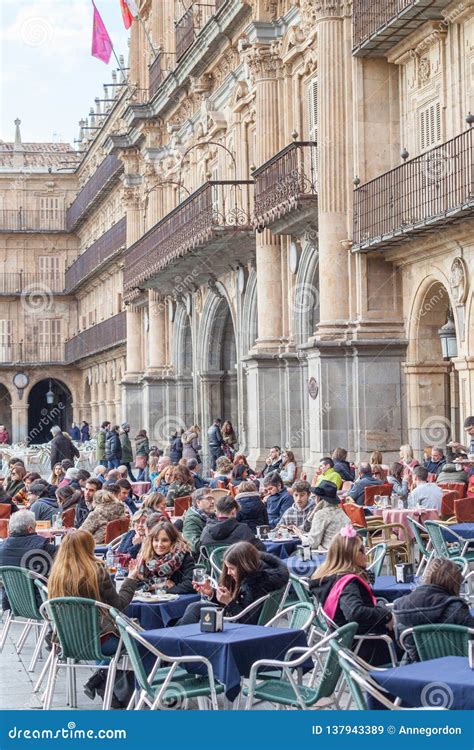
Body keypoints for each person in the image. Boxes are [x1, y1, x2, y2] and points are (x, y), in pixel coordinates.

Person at [47, 529, 142, 705]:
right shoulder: (97, 571)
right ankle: (108, 686)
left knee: (102, 632)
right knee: (137, 641)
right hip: (100, 641)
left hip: (65, 641)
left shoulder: (56, 574)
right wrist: (131, 579)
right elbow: (119, 606)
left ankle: (104, 686)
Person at [309, 526, 394, 665]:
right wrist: (386, 615)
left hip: (347, 645)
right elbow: (355, 612)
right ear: (349, 555)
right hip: (369, 648)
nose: (365, 554)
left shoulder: (327, 578)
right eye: (361, 550)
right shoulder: (348, 583)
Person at [179, 541, 289, 625]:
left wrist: (229, 602)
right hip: (235, 620)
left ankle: (175, 645)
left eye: (231, 568)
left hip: (244, 629)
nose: (228, 572)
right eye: (227, 568)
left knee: (194, 609)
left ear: (244, 566)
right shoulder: (254, 575)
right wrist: (211, 593)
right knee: (194, 608)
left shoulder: (257, 583)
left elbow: (249, 622)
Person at [393, 557, 474, 661]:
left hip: (418, 669)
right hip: (460, 667)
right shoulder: (457, 609)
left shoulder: (400, 606)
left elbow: (400, 642)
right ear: (454, 583)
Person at [0, 510, 56, 610]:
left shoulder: (2, 547)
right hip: (40, 603)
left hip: (11, 602)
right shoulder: (41, 545)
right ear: (30, 529)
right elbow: (63, 554)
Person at [134, 521, 194, 594]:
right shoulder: (144, 558)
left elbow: (191, 584)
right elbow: (133, 586)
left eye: (164, 540)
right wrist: (157, 586)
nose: (159, 544)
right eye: (156, 540)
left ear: (173, 541)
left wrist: (164, 591)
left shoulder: (183, 556)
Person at [200, 495, 265, 550]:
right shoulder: (243, 529)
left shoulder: (206, 530)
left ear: (216, 511)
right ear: (233, 511)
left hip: (214, 564)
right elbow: (260, 549)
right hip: (239, 564)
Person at [182, 488, 216, 556]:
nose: (212, 502)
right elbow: (194, 546)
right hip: (202, 560)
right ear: (198, 502)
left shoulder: (210, 515)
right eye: (209, 499)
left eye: (212, 498)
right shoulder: (191, 520)